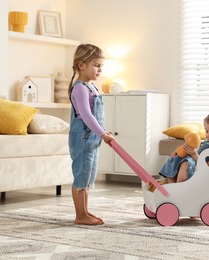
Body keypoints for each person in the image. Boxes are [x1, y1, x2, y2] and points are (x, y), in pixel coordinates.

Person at [68, 44, 115, 225]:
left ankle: (85, 212)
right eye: (96, 65)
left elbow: (94, 116)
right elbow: (86, 115)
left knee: (88, 176)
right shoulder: (79, 88)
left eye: (101, 66)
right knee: (81, 176)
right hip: (82, 140)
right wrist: (102, 133)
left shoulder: (91, 87)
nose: (100, 69)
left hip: (92, 140)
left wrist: (103, 132)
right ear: (81, 65)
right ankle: (80, 215)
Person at [155, 109, 209, 187]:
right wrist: (181, 151)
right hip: (196, 170)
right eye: (206, 131)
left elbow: (208, 167)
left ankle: (177, 188)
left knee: (186, 163)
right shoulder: (207, 143)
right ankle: (171, 184)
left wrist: (193, 154)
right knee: (177, 158)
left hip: (204, 177)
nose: (208, 135)